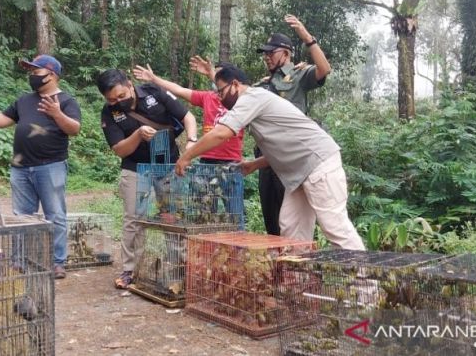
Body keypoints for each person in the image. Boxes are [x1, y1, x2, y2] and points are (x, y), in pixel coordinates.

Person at [174, 65, 364, 250]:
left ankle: (368, 279)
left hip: (318, 163)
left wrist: (187, 156)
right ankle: (298, 278)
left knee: (335, 227)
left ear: (235, 85)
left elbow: (221, 133)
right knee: (291, 228)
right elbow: (283, 145)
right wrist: (255, 164)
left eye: (221, 91)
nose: (219, 97)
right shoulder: (255, 102)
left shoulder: (251, 97)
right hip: (298, 173)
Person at [0, 54, 81, 279]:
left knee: (55, 215)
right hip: (20, 168)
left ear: (52, 75)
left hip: (50, 167)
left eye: (36, 71)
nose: (32, 75)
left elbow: (74, 129)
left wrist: (57, 113)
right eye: (30, 71)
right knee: (21, 216)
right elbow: (0, 121)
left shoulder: (67, 101)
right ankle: (19, 261)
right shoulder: (24, 100)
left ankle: (57, 262)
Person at [96, 69, 197, 289]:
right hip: (135, 168)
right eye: (112, 99)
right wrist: (138, 134)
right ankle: (131, 270)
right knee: (133, 218)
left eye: (121, 96)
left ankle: (178, 269)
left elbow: (187, 117)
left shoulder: (154, 93)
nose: (118, 102)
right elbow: (120, 150)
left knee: (173, 217)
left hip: (168, 164)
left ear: (130, 84)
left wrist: (191, 141)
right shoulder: (109, 113)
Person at [132, 63, 246, 227]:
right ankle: (210, 250)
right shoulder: (207, 97)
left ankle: (239, 248)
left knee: (235, 214)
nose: (217, 83)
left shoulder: (241, 101)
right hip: (206, 165)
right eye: (216, 78)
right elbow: (178, 90)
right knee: (205, 215)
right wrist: (154, 79)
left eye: (220, 78)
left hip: (232, 164)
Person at [253, 14, 332, 235]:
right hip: (265, 158)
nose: (267, 57)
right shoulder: (262, 85)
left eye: (271, 52)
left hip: (291, 157)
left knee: (294, 222)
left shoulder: (299, 76)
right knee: (271, 219)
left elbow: (324, 69)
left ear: (286, 54)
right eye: (265, 54)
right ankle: (277, 269)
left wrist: (306, 36)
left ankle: (298, 265)